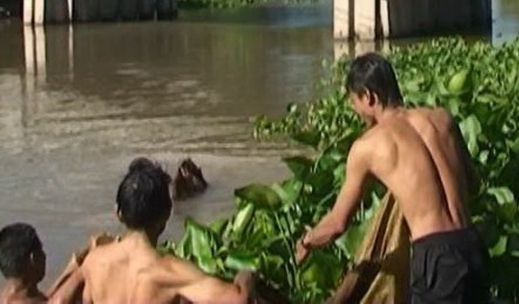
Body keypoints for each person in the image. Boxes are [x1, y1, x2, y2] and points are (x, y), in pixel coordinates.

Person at [295, 53, 488, 303]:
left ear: (369, 97)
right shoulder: (442, 119)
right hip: (472, 245)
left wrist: (307, 241)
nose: (357, 112)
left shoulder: (368, 146)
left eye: (355, 102)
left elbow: (337, 223)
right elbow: (474, 185)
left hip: (435, 257)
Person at [53, 160, 255, 304]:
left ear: (118, 213)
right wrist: (246, 276)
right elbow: (238, 299)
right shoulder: (171, 271)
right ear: (167, 213)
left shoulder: (94, 262)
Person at [0, 223, 47, 304]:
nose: (44, 256)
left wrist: (70, 269)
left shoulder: (6, 296)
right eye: (41, 251)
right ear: (32, 258)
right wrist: (76, 275)